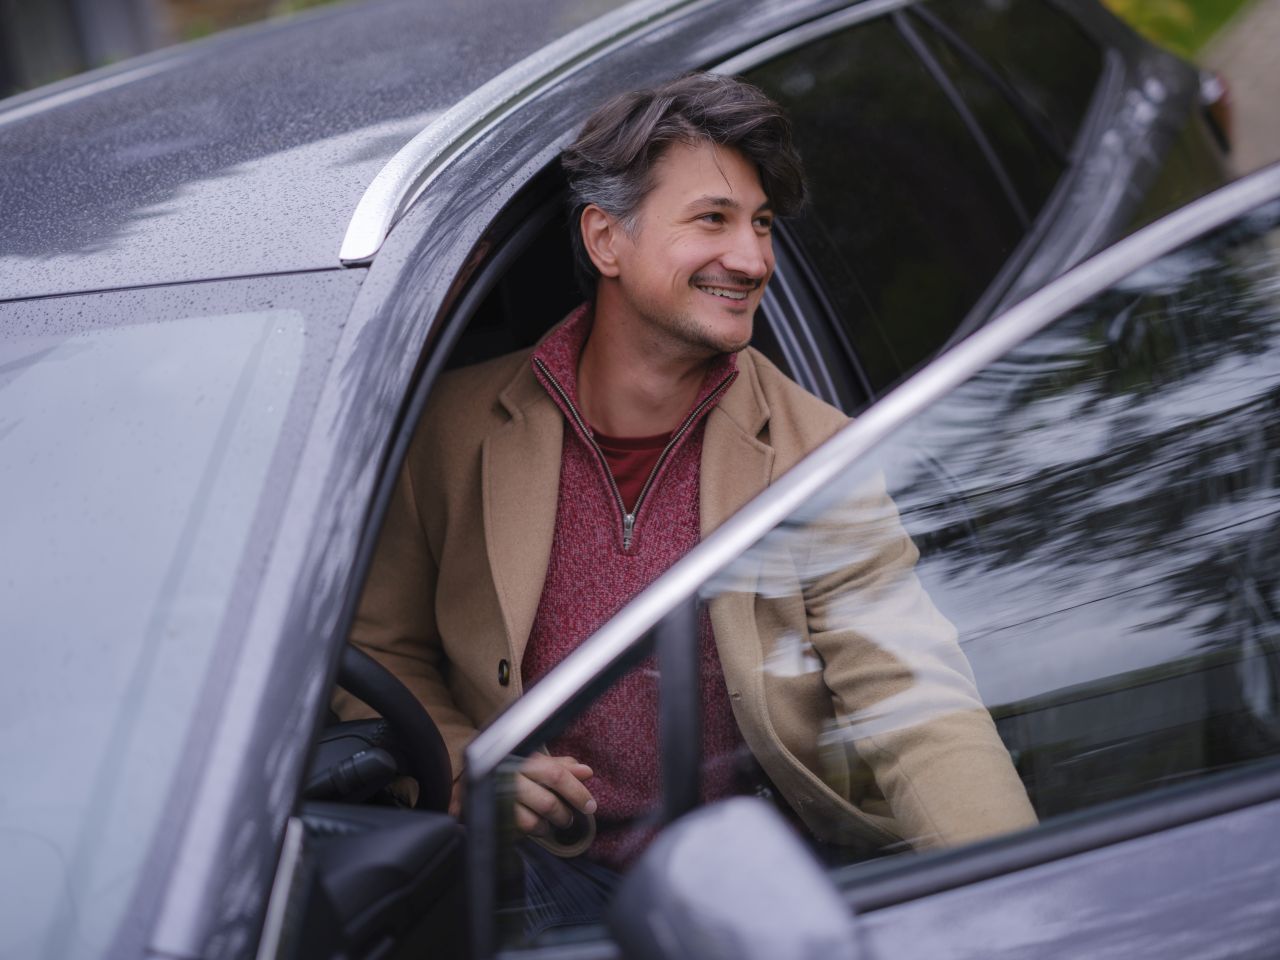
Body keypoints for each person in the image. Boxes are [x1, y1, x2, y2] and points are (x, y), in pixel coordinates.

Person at [339, 72, 1035, 883]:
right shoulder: (450, 427)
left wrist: (1017, 887)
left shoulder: (819, 455)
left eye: (762, 224)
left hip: (764, 882)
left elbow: (909, 695)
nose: (753, 259)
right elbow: (378, 648)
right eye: (714, 219)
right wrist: (463, 767)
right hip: (543, 879)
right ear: (606, 240)